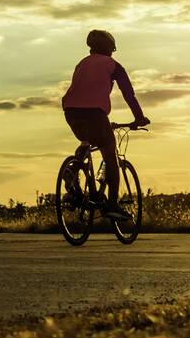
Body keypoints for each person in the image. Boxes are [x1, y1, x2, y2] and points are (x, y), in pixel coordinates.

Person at [61, 29, 149, 221]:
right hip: (95, 113)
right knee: (110, 155)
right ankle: (112, 205)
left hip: (70, 111)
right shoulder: (114, 65)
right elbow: (128, 94)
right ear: (111, 48)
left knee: (86, 140)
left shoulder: (82, 63)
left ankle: (73, 172)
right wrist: (139, 117)